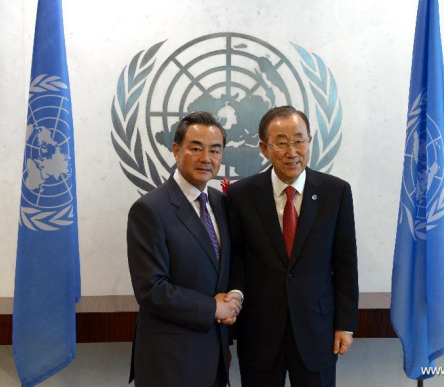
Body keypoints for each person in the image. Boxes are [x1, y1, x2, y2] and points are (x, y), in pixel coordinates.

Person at [227, 106, 359, 386]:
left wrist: (345, 324)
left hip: (317, 331)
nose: (292, 151)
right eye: (282, 143)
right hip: (259, 332)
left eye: (299, 141)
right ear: (264, 147)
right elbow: (235, 257)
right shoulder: (241, 194)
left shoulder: (336, 192)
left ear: (310, 141)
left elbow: (345, 263)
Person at [127, 111, 241, 387]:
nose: (206, 158)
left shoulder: (221, 203)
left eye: (215, 150)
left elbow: (230, 263)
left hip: (215, 358)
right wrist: (212, 308)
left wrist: (235, 295)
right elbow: (151, 289)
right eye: (196, 148)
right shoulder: (150, 209)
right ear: (176, 150)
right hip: (169, 361)